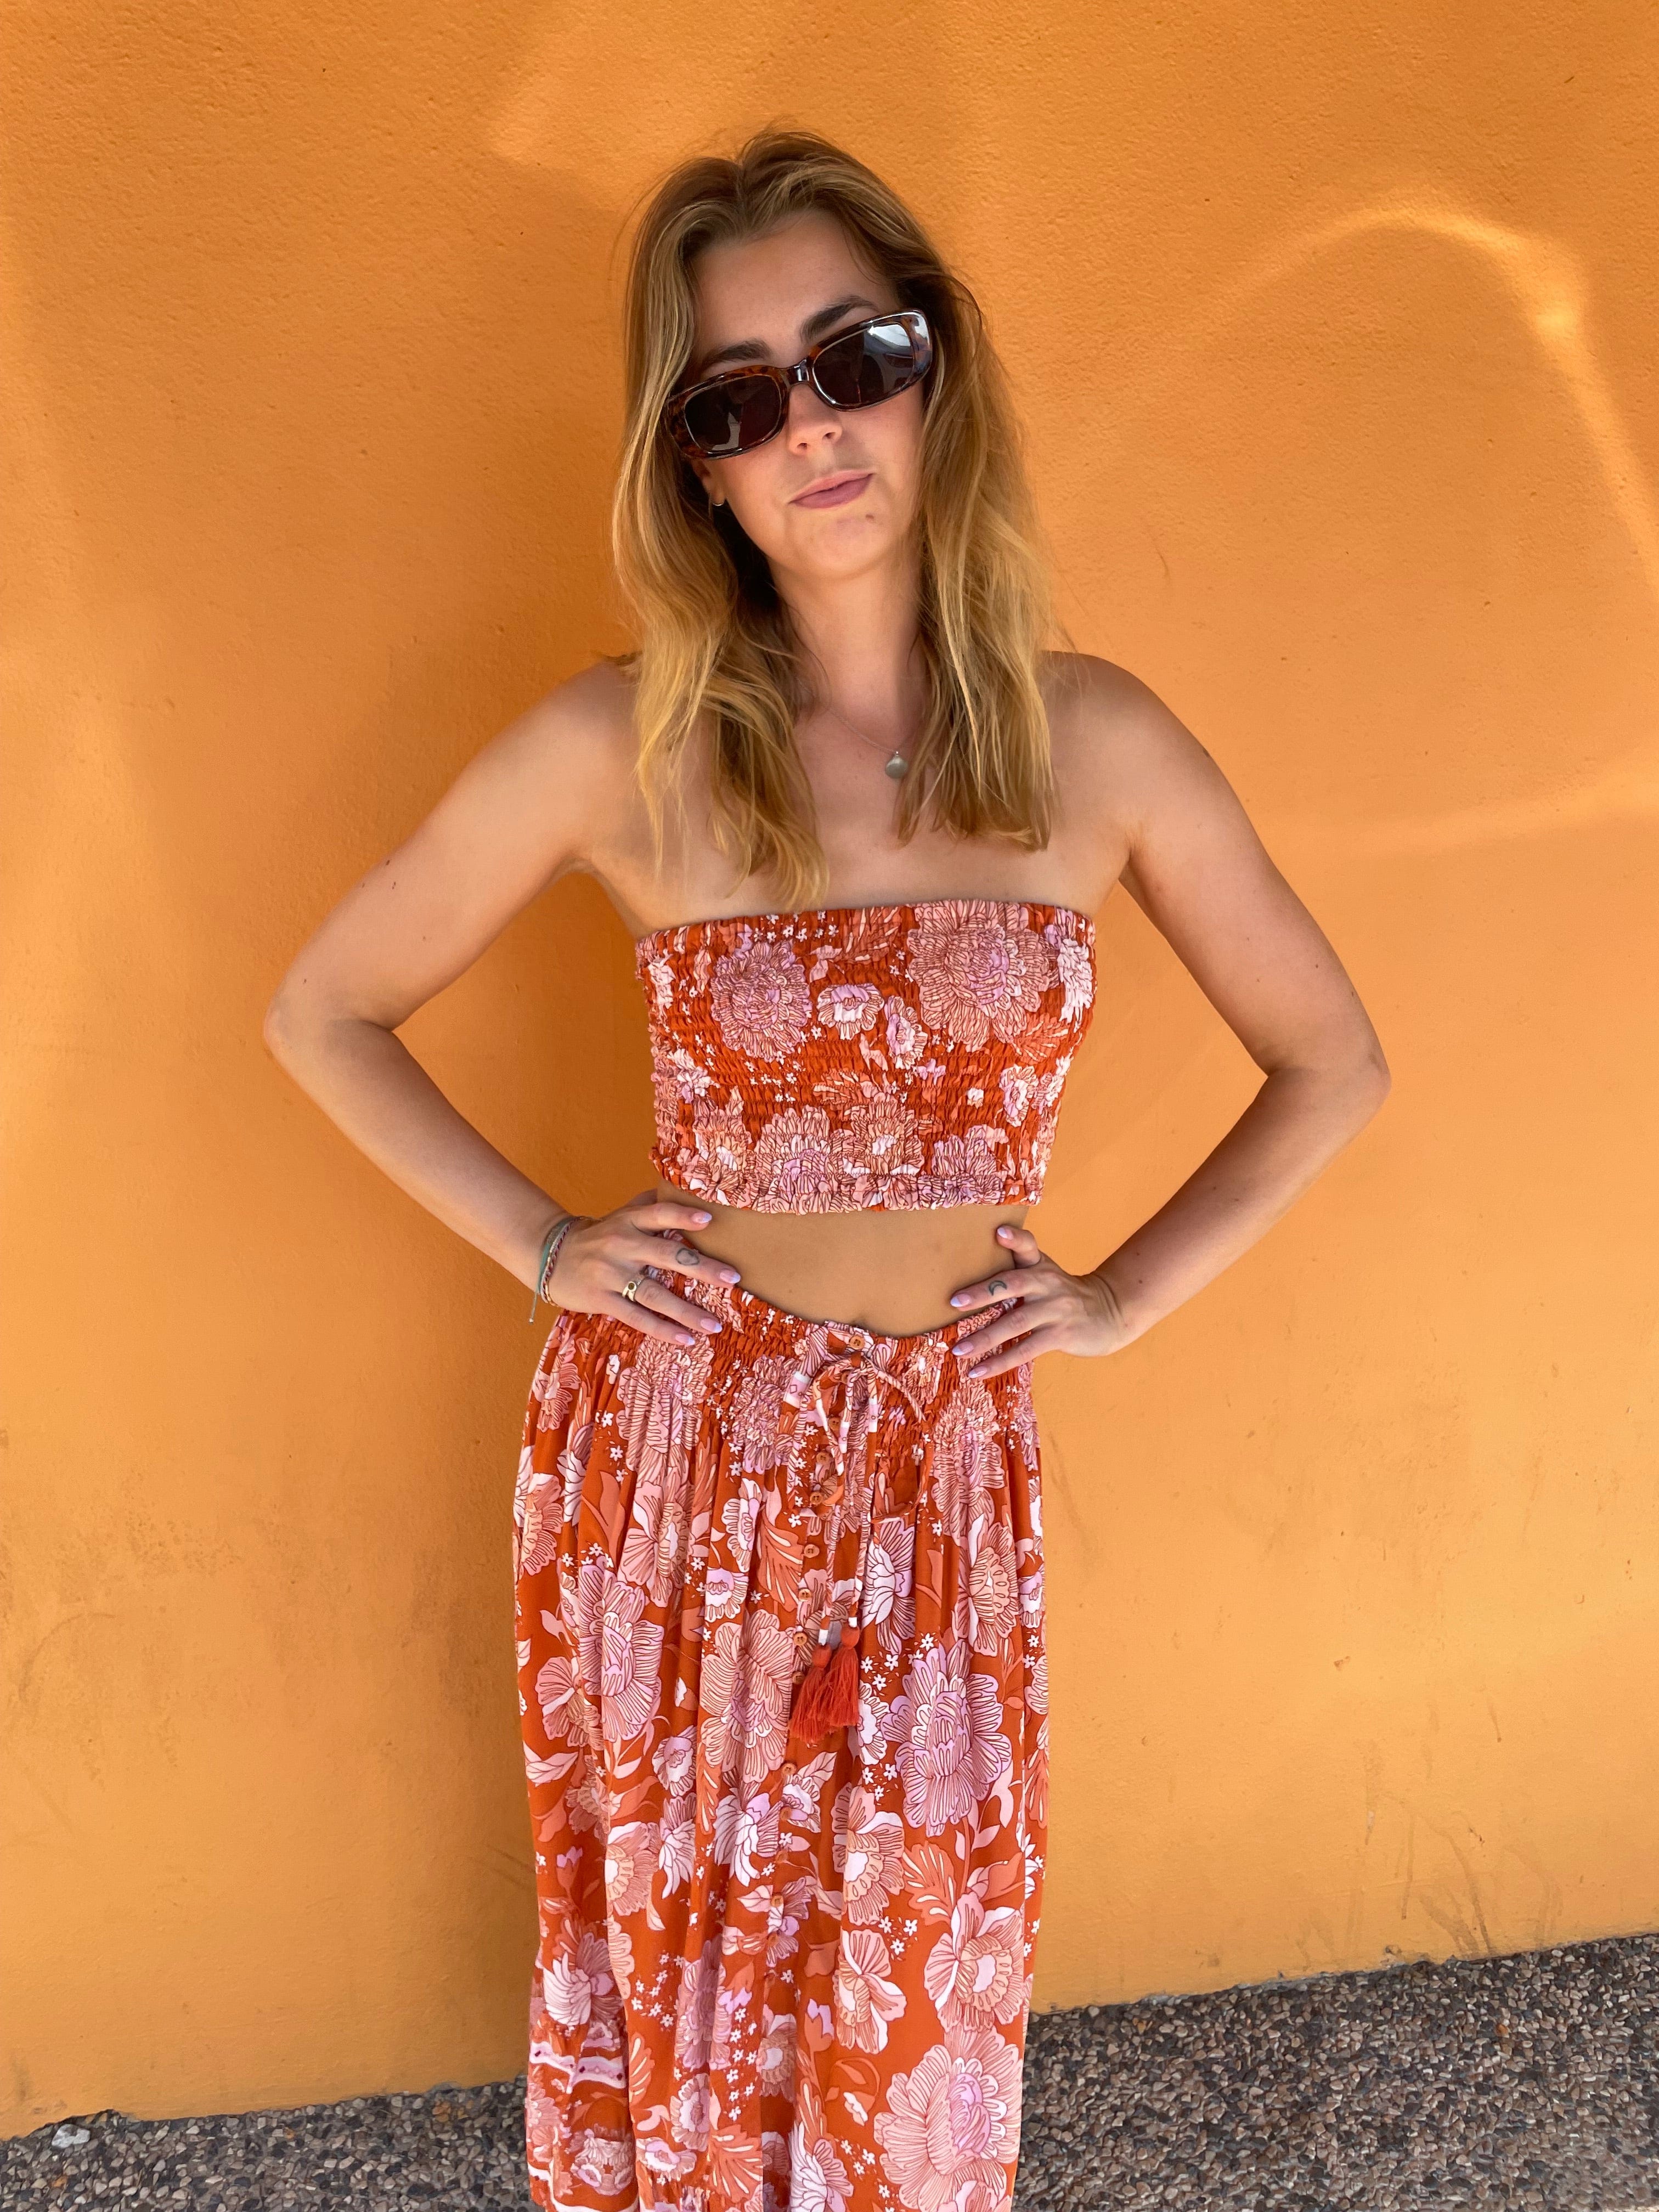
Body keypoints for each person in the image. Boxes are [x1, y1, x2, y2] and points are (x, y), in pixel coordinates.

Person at [263, 125, 1389, 2212]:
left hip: (944, 1480)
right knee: (692, 1992)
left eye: (855, 356)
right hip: (677, 1467)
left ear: (938, 369)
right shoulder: (624, 748)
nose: (813, 428)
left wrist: (1121, 1298)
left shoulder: (1098, 745)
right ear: (693, 466)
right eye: (738, 400)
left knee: (914, 2022)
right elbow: (322, 1009)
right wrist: (542, 1243)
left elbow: (1332, 1060)